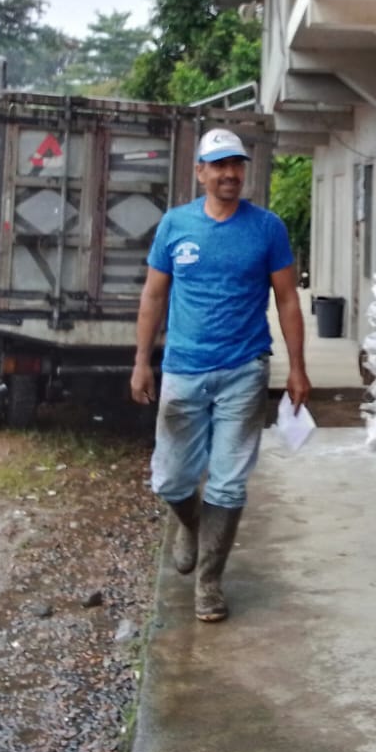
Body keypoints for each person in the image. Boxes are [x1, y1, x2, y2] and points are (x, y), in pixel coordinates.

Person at [130, 127, 309, 623]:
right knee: (171, 480)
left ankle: (209, 582)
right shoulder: (176, 225)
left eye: (237, 165)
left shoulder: (267, 228)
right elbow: (154, 295)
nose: (230, 173)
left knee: (228, 485)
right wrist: (142, 361)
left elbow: (287, 299)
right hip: (183, 369)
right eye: (220, 165)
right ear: (201, 173)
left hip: (244, 369)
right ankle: (191, 525)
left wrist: (297, 367)